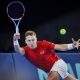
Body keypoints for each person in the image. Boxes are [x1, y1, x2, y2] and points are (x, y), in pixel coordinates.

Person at [13, 30, 80, 80]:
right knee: (66, 77)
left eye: (33, 40)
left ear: (36, 39)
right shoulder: (25, 50)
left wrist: (72, 45)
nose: (31, 42)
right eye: (29, 40)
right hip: (49, 71)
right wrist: (15, 40)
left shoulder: (44, 44)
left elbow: (61, 47)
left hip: (58, 64)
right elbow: (17, 50)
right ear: (25, 41)